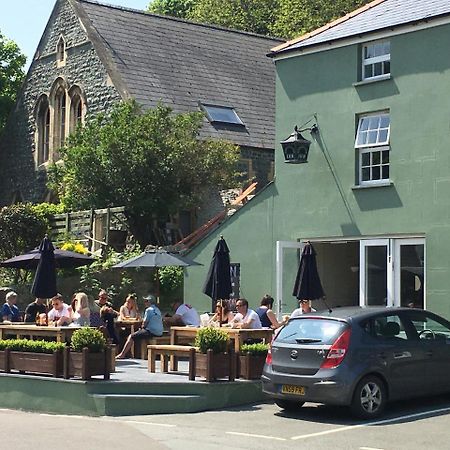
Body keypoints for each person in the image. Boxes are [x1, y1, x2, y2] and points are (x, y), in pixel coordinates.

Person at [116, 294, 163, 359]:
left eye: (146, 301)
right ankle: (140, 354)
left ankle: (122, 354)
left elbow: (144, 323)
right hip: (160, 332)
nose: (145, 303)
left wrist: (141, 328)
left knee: (131, 336)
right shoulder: (157, 309)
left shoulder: (148, 310)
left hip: (151, 331)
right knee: (138, 334)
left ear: (149, 302)